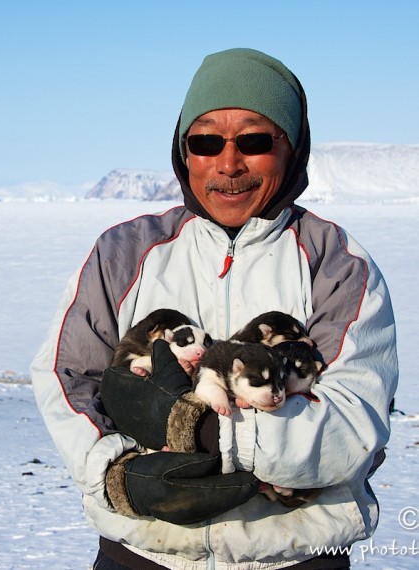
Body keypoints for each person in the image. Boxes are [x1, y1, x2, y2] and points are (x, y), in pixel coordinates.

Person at [30, 48, 398, 569]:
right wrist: (118, 475)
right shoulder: (125, 253)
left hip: (295, 555)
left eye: (254, 140)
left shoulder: (334, 263)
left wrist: (201, 434)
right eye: (205, 141)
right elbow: (65, 378)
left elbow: (352, 424)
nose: (228, 164)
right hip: (142, 553)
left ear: (293, 149)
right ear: (184, 151)